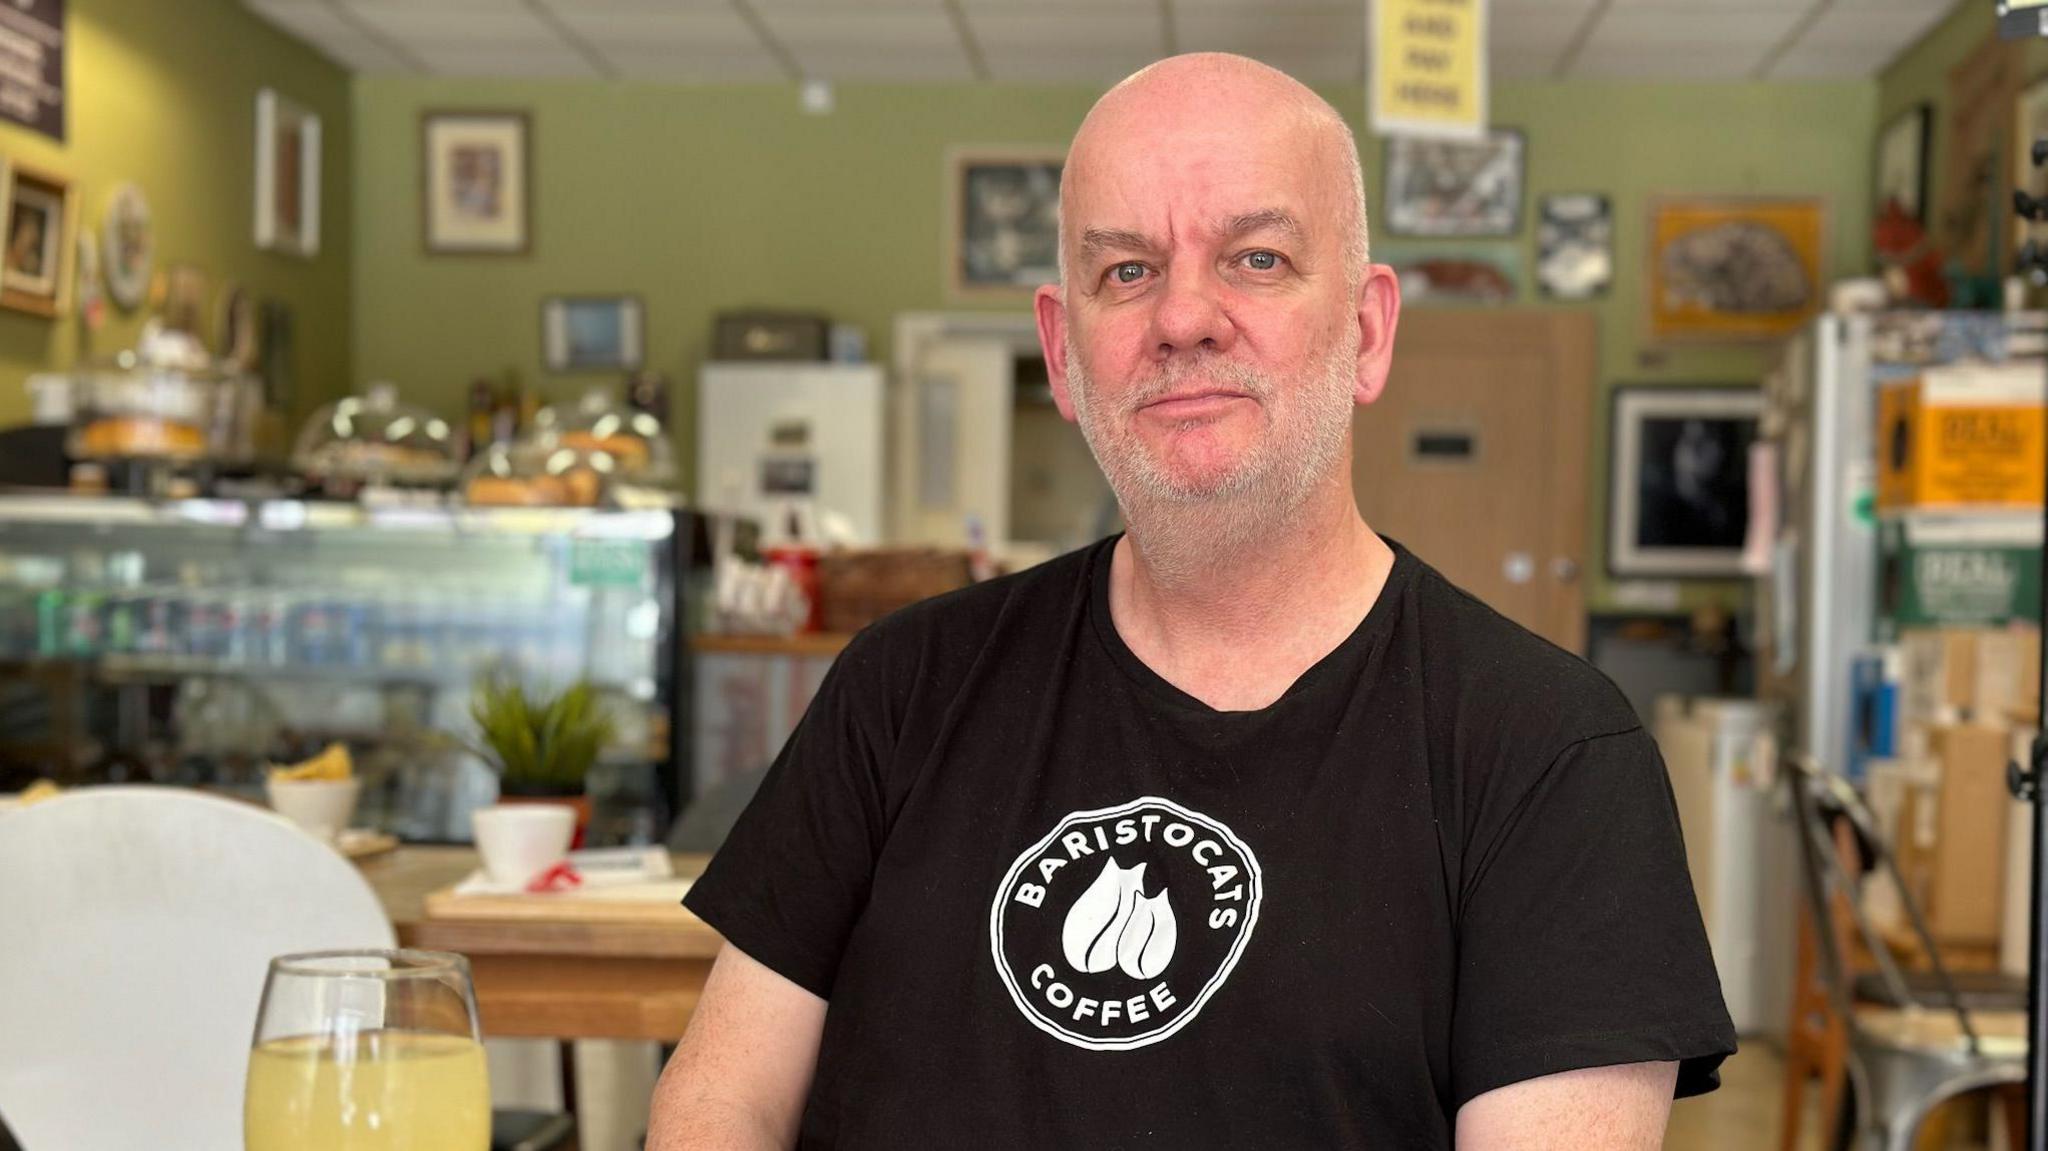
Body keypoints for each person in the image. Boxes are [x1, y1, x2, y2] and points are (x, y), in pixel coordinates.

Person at [649, 53, 1734, 1149]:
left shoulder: (1549, 756)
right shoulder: (900, 684)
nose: (1182, 316)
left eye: (1255, 258)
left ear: (1364, 331)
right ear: (1064, 355)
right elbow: (718, 1100)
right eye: (1124, 271)